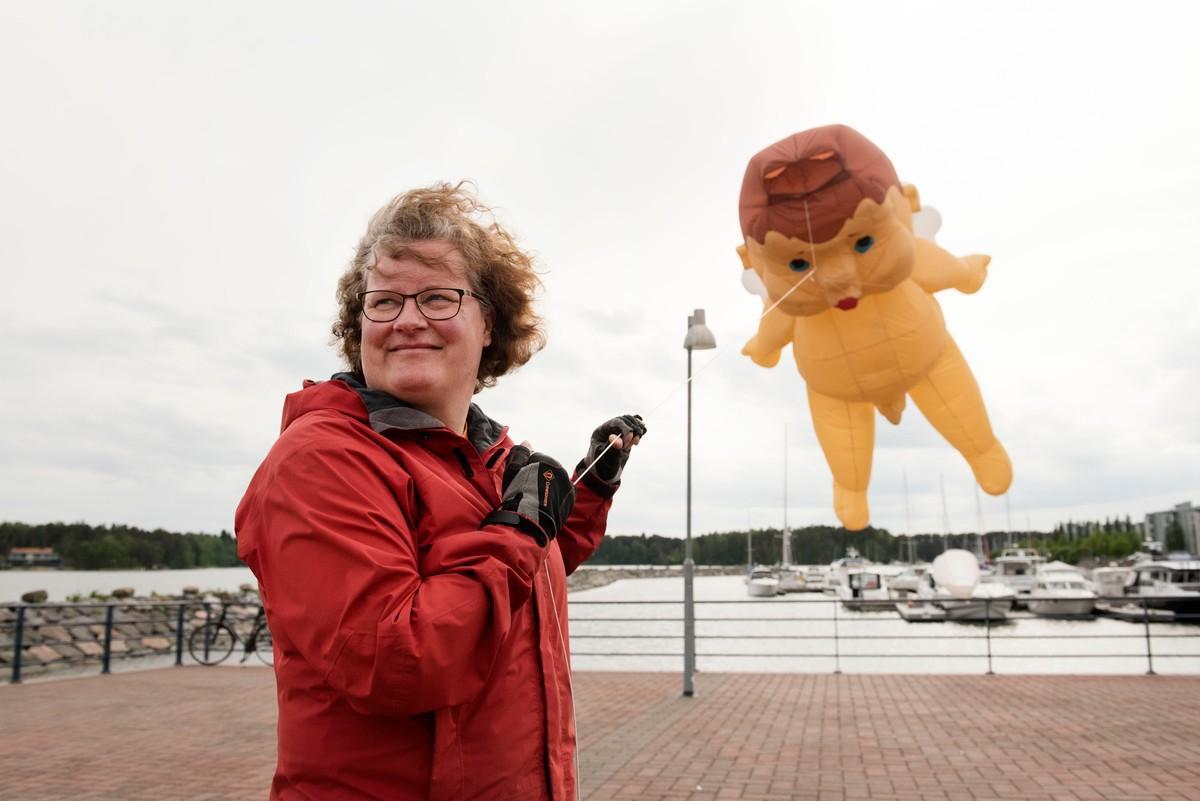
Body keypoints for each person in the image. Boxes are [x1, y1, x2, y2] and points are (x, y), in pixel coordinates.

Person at [235, 183, 646, 801]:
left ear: (490, 324)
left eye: (436, 297)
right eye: (384, 302)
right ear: (359, 326)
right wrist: (518, 529)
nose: (406, 319)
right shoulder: (323, 457)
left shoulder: (488, 457)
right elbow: (392, 662)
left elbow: (521, 584)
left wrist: (589, 488)